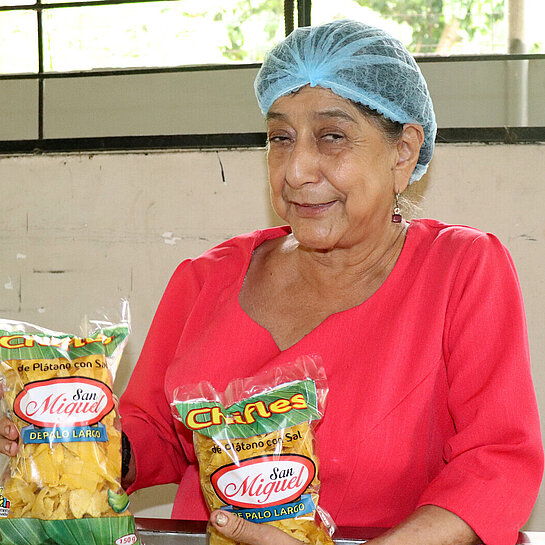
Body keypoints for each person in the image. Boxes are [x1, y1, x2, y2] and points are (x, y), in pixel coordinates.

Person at [1, 19, 542, 545]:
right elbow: (159, 430)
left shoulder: (461, 270)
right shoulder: (206, 279)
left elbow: (496, 461)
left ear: (403, 151)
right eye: (280, 137)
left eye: (332, 136)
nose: (297, 168)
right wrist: (74, 442)